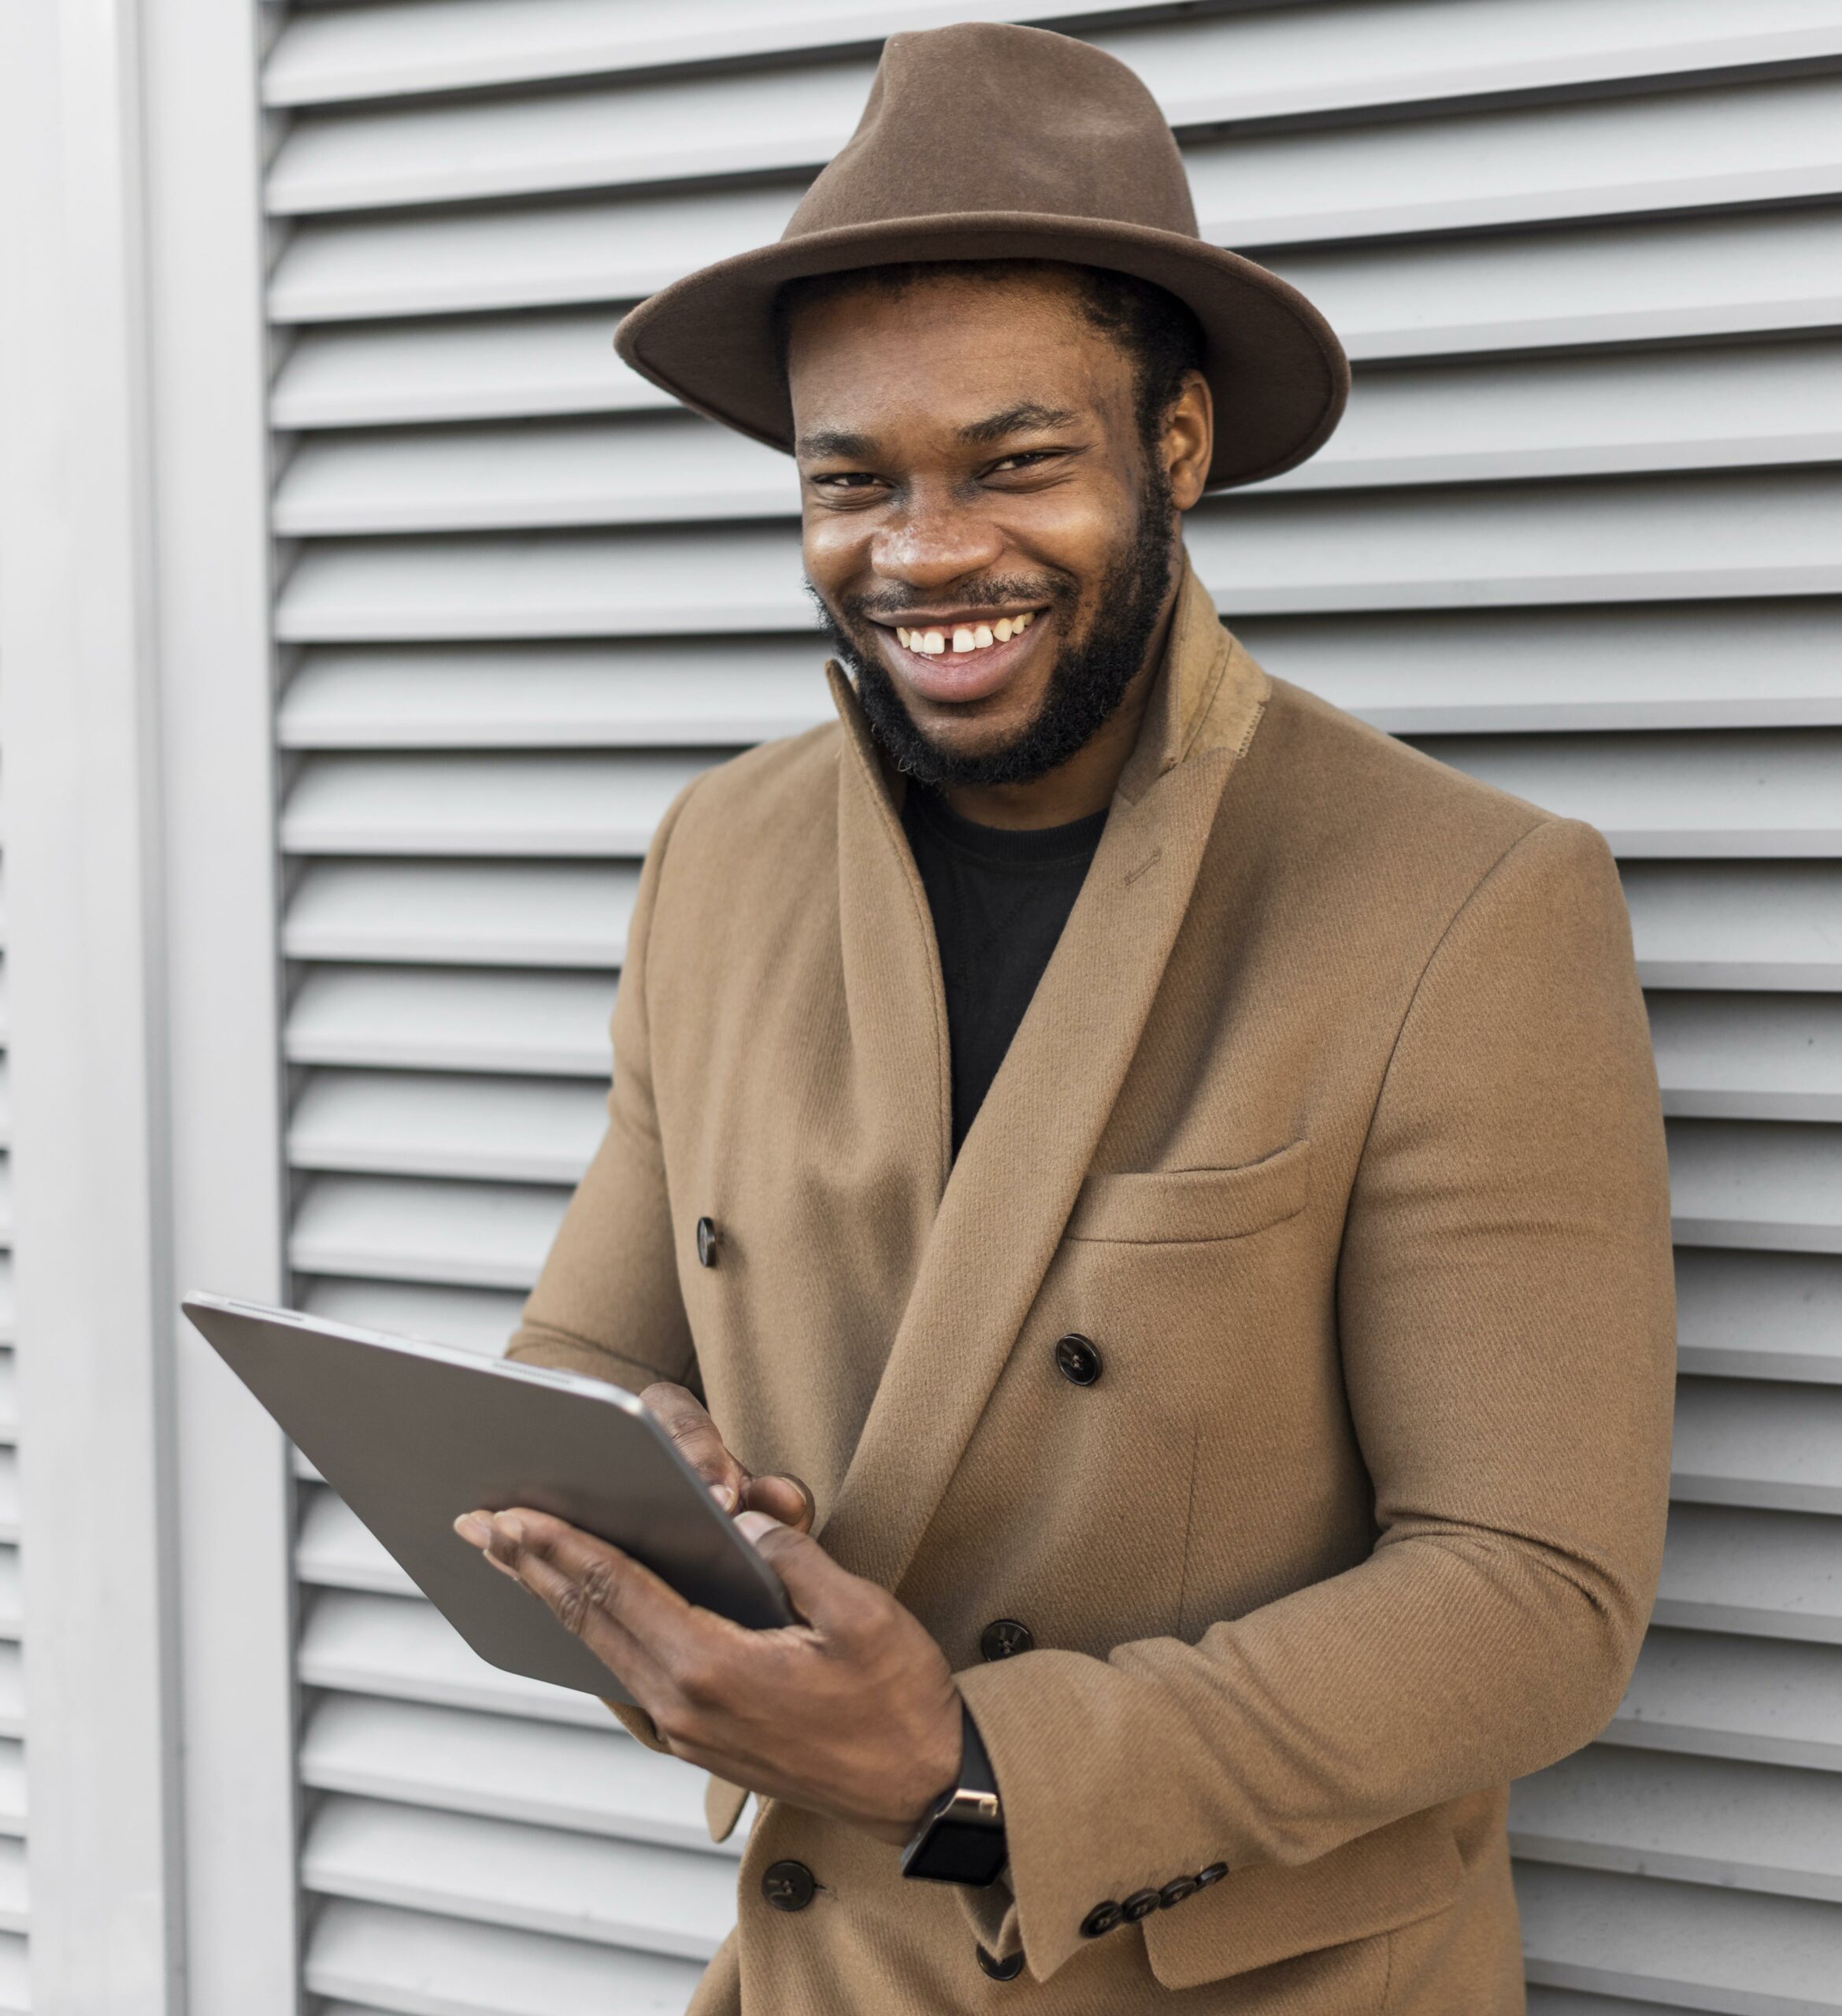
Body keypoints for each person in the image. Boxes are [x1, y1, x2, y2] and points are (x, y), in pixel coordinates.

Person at [452, 22, 1674, 2014]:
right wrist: (638, 1482)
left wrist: (965, 1757)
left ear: (1172, 447)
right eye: (852, 480)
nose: (923, 551)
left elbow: (1534, 1598)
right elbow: (589, 1343)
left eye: (1013, 461)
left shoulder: (1462, 900)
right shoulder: (718, 855)